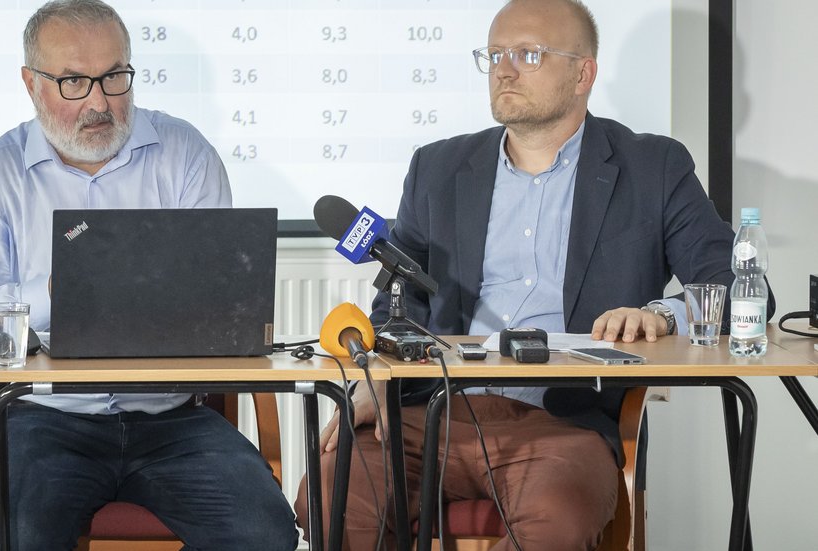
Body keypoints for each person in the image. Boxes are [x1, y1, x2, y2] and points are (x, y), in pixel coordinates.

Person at [295, 0, 775, 549]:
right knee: (330, 493)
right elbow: (397, 301)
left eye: (528, 53)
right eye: (494, 53)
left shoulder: (653, 168)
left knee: (556, 519)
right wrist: (373, 382)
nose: (504, 69)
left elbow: (744, 291)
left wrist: (660, 315)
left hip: (561, 422)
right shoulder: (438, 167)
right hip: (431, 411)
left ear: (583, 73)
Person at [0, 1, 297, 550]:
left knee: (264, 533)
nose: (100, 101)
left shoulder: (185, 155)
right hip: (45, 419)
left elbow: (221, 302)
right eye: (74, 81)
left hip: (172, 421)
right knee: (16, 534)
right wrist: (48, 295)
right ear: (31, 83)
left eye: (115, 77)